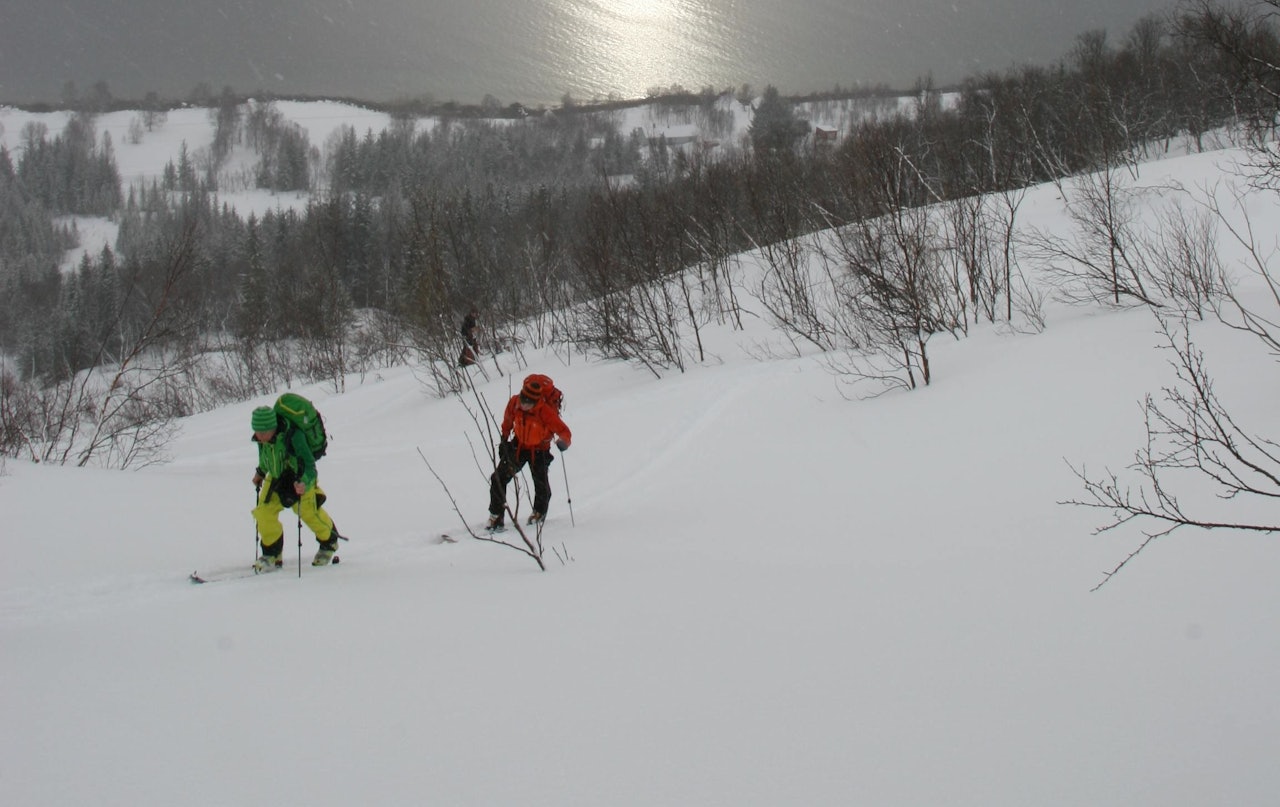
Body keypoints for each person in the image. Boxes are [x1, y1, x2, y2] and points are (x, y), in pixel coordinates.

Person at [249, 405, 341, 570]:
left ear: (273, 427)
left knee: (308, 512)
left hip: (299, 477)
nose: (259, 436)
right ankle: (272, 554)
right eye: (257, 432)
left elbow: (310, 465)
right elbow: (266, 458)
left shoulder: (294, 436)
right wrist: (260, 472)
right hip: (277, 477)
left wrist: (304, 482)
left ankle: (329, 543)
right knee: (264, 512)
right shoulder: (262, 439)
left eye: (263, 433)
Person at [487, 376, 572, 530]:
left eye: (528, 403)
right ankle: (496, 516)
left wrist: (564, 442)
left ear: (536, 401)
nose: (524, 406)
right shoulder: (514, 402)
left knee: (540, 484)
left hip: (540, 450)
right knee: (498, 478)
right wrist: (504, 439)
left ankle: (539, 511)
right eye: (523, 401)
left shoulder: (545, 411)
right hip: (518, 446)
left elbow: (564, 431)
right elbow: (507, 420)